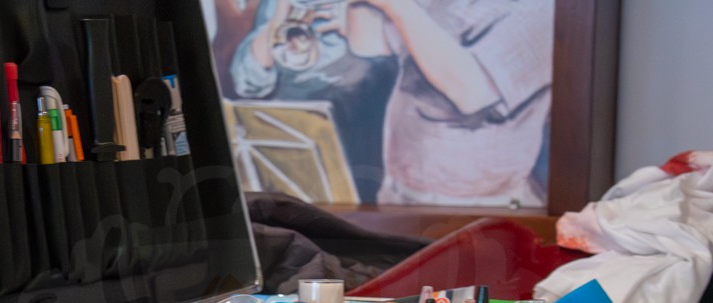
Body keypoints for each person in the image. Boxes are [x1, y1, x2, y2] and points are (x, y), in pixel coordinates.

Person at [341, 0, 555, 207]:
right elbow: (369, 45)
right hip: (399, 193)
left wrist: (397, 5)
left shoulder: (543, 9)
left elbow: (472, 94)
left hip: (483, 206)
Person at [229, 0, 397, 202]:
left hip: (359, 138)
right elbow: (248, 84)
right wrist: (277, 21)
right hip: (288, 138)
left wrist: (360, 26)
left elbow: (396, 69)